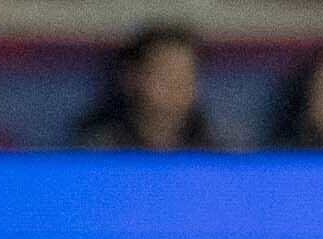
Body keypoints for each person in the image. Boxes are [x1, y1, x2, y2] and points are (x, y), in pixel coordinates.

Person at [74, 22, 223, 148]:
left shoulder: (220, 148)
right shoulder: (98, 148)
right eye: (165, 75)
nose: (176, 86)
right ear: (131, 78)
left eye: (186, 76)